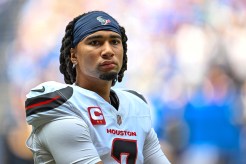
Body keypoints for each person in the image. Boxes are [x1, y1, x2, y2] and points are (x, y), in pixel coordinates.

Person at [25, 10, 171, 164]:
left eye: (115, 42)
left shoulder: (136, 105)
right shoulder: (63, 103)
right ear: (73, 55)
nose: (108, 51)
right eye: (95, 42)